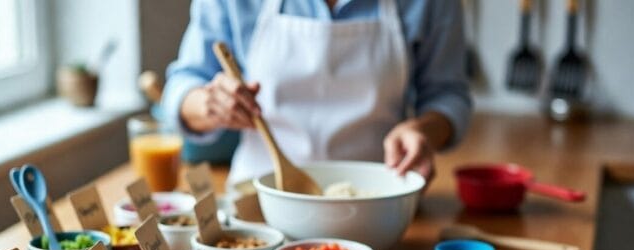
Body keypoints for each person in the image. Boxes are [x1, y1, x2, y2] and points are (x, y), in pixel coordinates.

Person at [162, 0, 471, 188]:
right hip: (257, 202)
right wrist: (210, 104)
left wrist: (424, 130)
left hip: (381, 205)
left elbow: (448, 94)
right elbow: (182, 85)